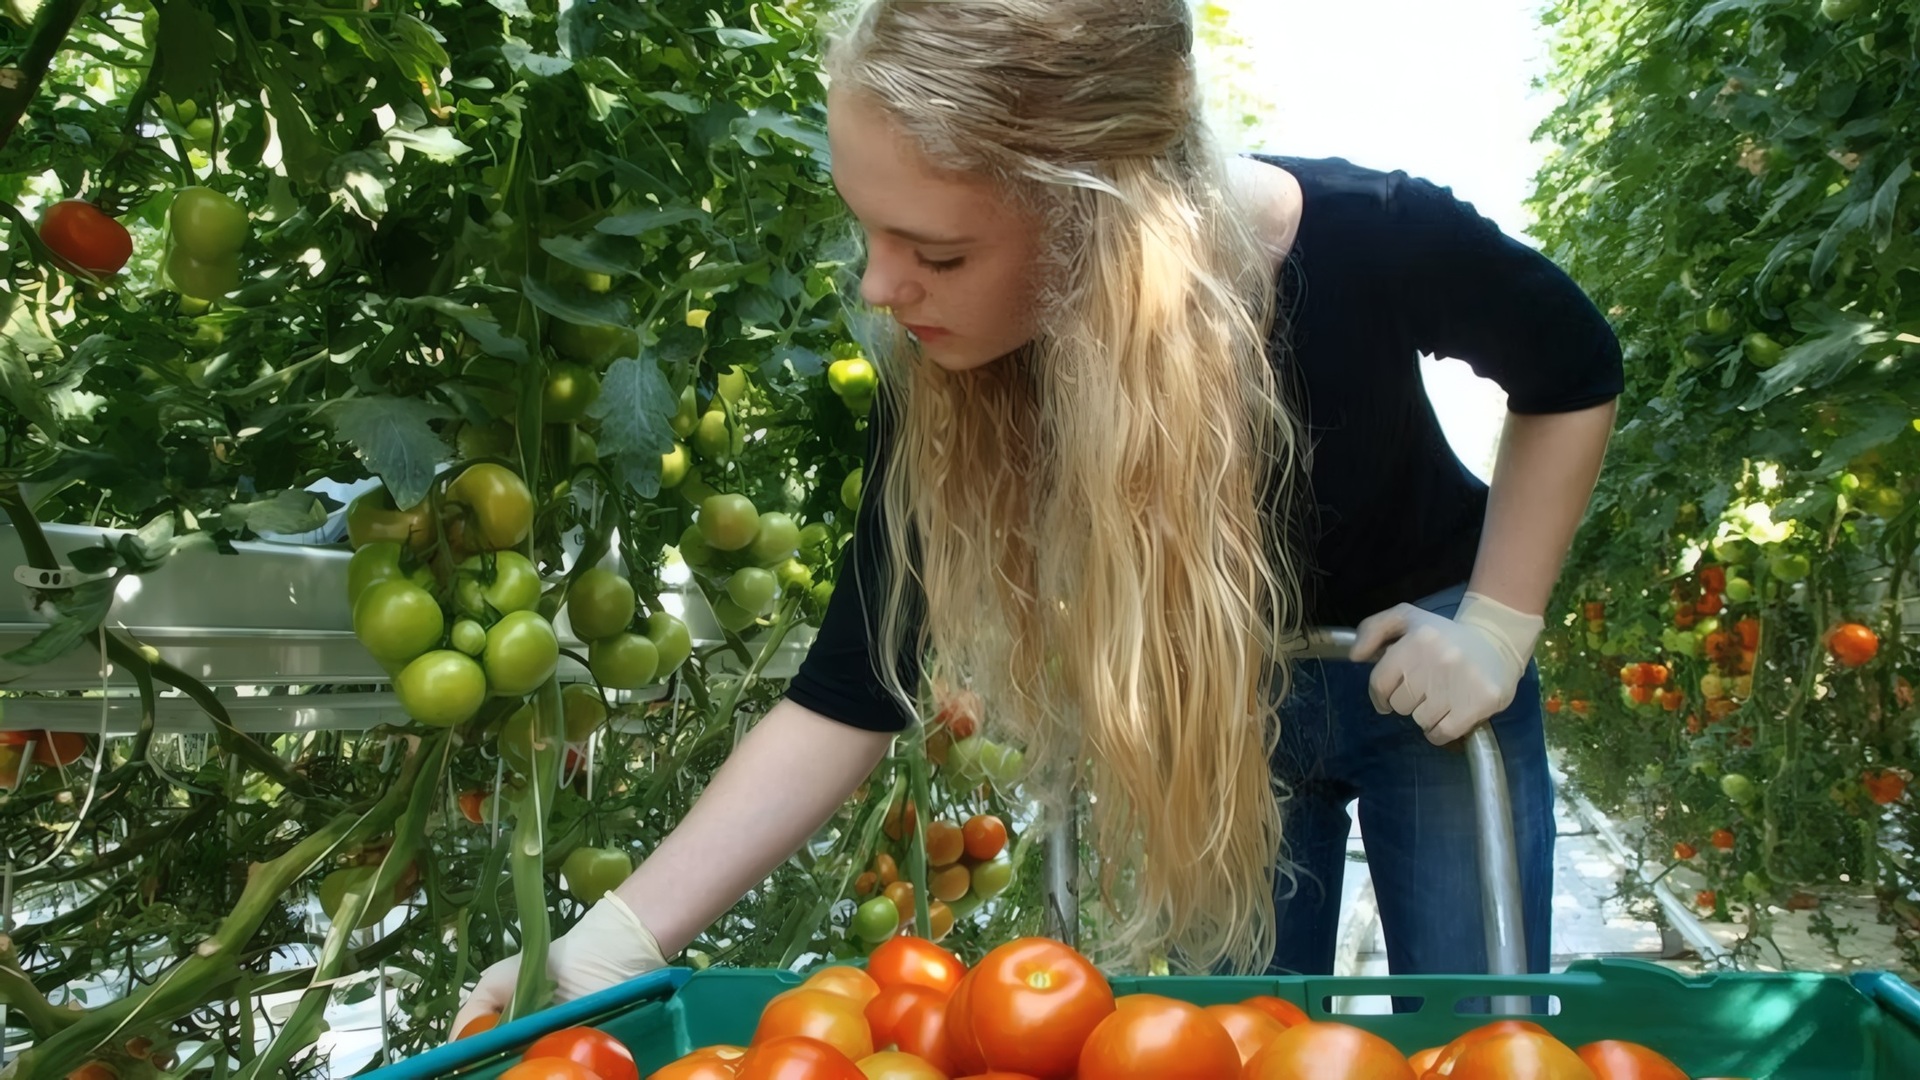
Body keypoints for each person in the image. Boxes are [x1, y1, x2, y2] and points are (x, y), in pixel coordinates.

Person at [456, 0, 1620, 1028]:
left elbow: (1572, 364)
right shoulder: (956, 361)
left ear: (1103, 223)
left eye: (937, 250)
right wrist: (608, 944)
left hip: (1423, 672)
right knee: (1244, 1037)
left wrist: (1495, 628)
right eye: (869, 231)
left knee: (1477, 1024)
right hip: (1228, 699)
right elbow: (853, 689)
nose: (879, 285)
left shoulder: (1367, 235)